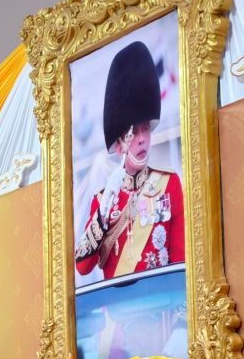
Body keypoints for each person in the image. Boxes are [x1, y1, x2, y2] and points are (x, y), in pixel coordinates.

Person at [76, 40, 184, 281]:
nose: (142, 139)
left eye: (145, 129)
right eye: (133, 133)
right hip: (118, 306)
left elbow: (180, 263)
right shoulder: (102, 201)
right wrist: (103, 215)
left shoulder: (169, 185)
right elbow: (82, 266)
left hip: (162, 304)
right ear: (118, 145)